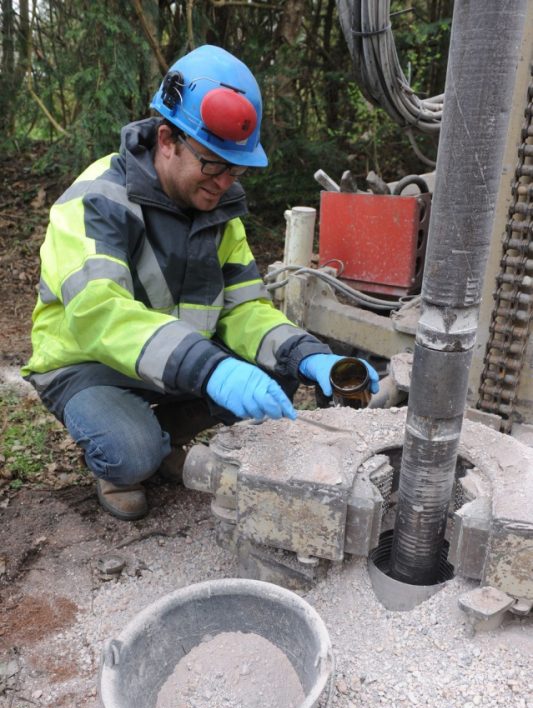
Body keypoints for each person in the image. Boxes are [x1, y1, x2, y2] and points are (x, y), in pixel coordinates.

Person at [23, 44, 379, 521]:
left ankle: (163, 435)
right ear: (167, 139)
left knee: (278, 368)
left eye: (235, 169)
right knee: (132, 453)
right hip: (88, 364)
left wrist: (308, 354)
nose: (225, 182)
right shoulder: (96, 201)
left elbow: (244, 308)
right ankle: (130, 457)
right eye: (213, 164)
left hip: (174, 361)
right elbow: (99, 314)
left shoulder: (220, 213)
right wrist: (212, 370)